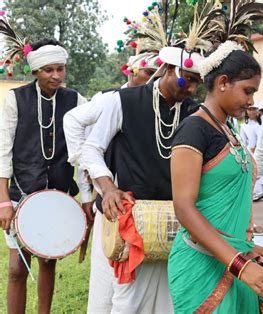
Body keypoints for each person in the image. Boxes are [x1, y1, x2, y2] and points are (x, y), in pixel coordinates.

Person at [169, 40, 263, 314]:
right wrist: (241, 265)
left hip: (234, 259)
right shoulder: (193, 130)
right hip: (203, 266)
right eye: (247, 91)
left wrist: (247, 249)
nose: (252, 101)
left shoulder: (228, 128)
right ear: (222, 82)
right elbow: (184, 208)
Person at [64, 51, 161, 313]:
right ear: (131, 71)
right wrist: (84, 161)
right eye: (149, 72)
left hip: (149, 215)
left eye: (159, 73)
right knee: (105, 289)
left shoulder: (162, 104)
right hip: (113, 206)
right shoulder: (111, 99)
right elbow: (72, 120)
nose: (155, 79)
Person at [0, 37, 89, 313]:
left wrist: (87, 199)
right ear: (36, 70)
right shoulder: (15, 99)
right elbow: (2, 150)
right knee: (17, 268)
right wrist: (3, 200)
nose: (56, 75)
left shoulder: (76, 100)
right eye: (49, 70)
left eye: (60, 69)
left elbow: (85, 153)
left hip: (59, 196)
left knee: (48, 260)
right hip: (20, 196)